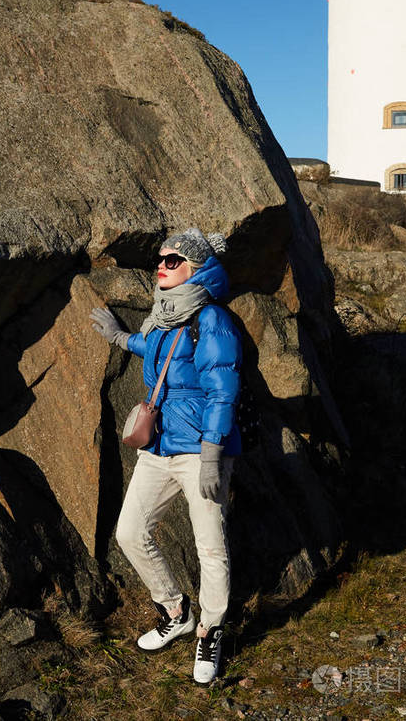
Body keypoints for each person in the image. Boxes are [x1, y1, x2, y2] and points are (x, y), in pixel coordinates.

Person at [90, 227, 242, 685]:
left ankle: (210, 632)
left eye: (173, 260)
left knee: (210, 549)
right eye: (161, 258)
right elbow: (154, 346)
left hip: (200, 452)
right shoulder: (165, 314)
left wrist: (213, 454)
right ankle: (176, 611)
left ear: (196, 268)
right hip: (159, 449)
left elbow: (223, 389)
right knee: (131, 532)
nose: (162, 265)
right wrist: (120, 338)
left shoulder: (210, 318)